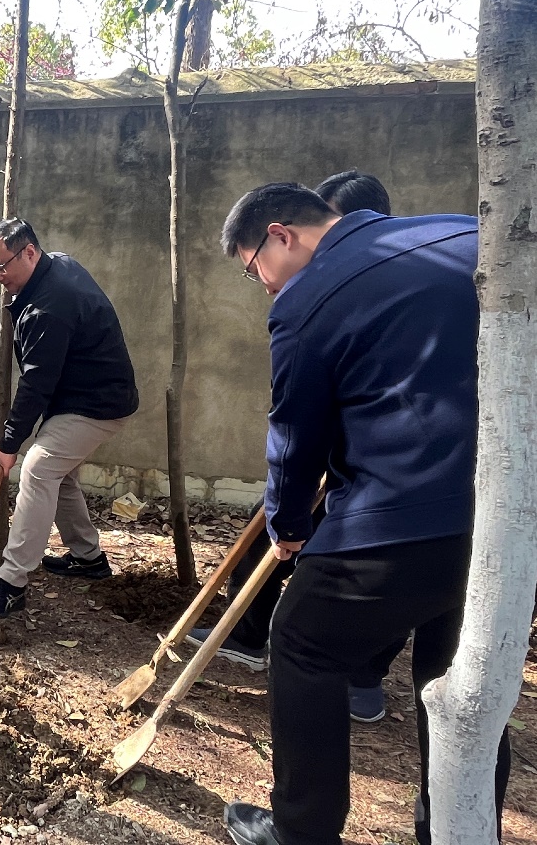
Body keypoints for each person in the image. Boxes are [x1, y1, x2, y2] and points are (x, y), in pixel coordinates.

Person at [218, 182, 510, 845]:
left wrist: (287, 526)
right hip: (507, 517)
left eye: (251, 269)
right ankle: (458, 830)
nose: (261, 286)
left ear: (279, 236)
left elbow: (293, 435)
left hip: (400, 515)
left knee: (301, 641)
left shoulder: (307, 299)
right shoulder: (465, 232)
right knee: (459, 679)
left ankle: (300, 831)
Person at [185, 170, 400, 725]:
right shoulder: (317, 288)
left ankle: (362, 674)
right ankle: (247, 630)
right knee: (275, 520)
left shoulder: (382, 278)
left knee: (374, 572)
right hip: (328, 447)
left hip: (378, 467)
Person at [0, 218, 138, 618]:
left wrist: (10, 443)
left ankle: (12, 582)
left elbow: (36, 382)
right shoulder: (57, 265)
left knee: (39, 468)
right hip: (81, 396)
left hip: (97, 404)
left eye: (2, 266)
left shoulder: (51, 304)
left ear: (29, 252)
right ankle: (89, 559)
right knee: (59, 476)